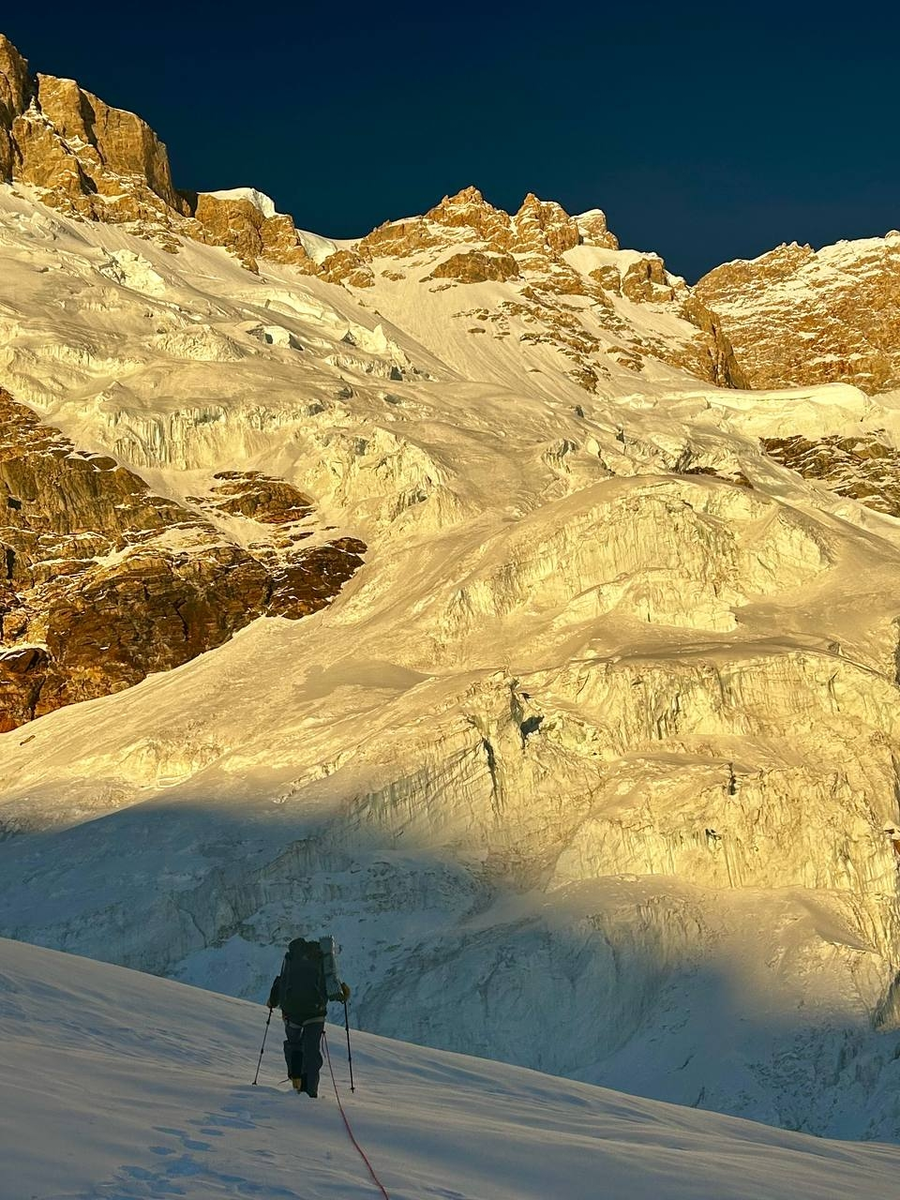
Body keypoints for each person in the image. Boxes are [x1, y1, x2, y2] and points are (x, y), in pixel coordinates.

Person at [267, 935, 351, 1096]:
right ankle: (310, 1092)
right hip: (315, 1012)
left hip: (291, 1011)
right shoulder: (322, 959)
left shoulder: (291, 958)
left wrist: (272, 1001)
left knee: (294, 1045)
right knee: (311, 1051)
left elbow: (281, 980)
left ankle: (296, 1081)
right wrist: (344, 993)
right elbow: (333, 985)